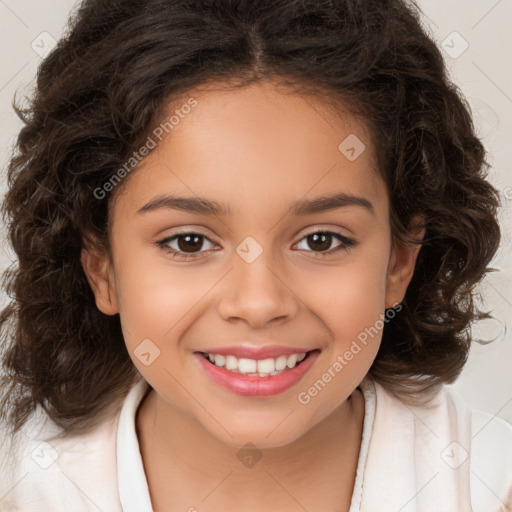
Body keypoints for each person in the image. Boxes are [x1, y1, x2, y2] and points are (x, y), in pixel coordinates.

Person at [1, 0, 511, 511]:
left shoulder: (488, 486)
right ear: (102, 267)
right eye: (189, 242)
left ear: (399, 261)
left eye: (321, 240)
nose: (259, 302)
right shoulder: (23, 488)